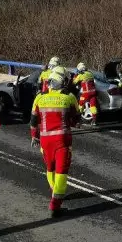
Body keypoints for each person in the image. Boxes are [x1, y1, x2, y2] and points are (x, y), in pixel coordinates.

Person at [30, 71, 80, 217]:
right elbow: (76, 119)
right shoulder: (68, 98)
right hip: (62, 141)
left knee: (50, 168)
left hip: (45, 141)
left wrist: (34, 137)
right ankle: (55, 205)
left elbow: (33, 121)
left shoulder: (40, 98)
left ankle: (53, 192)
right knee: (61, 172)